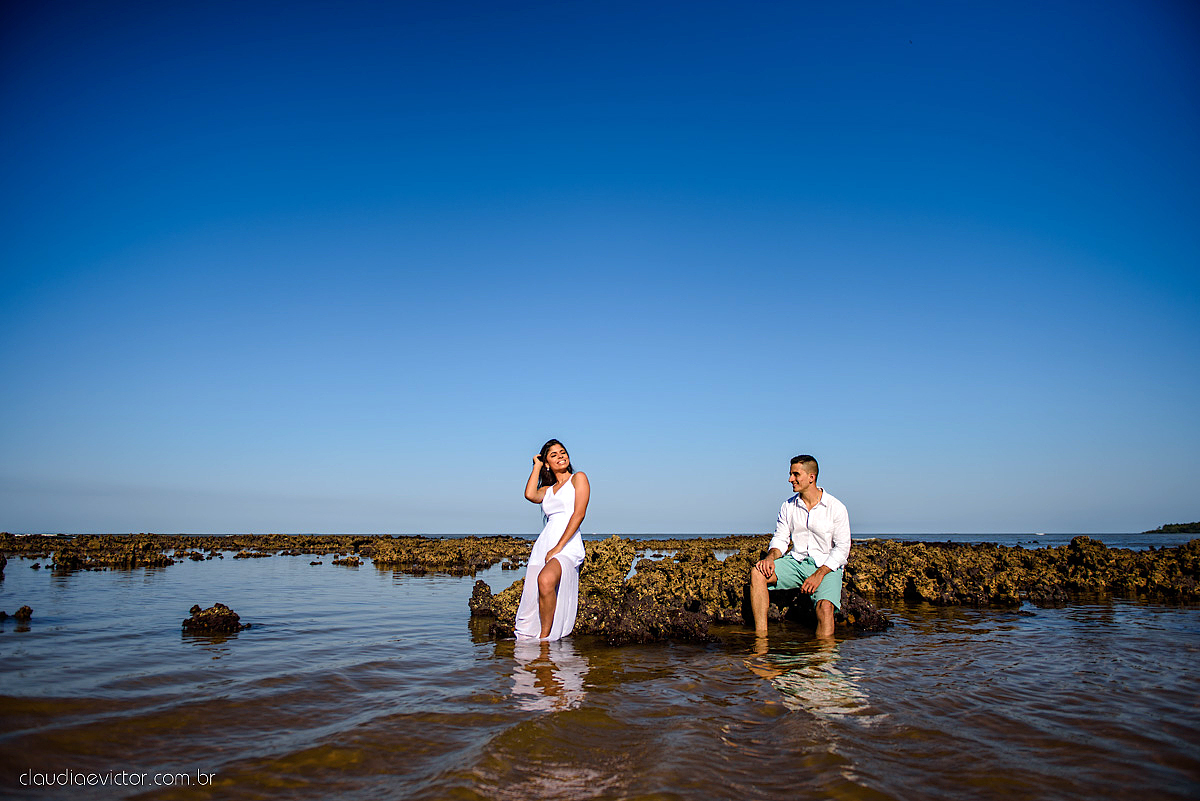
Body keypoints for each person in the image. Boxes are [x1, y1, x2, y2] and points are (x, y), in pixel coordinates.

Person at [749, 454, 850, 638]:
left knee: (825, 608)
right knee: (758, 572)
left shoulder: (836, 508)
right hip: (796, 561)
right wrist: (770, 558)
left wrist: (818, 575)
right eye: (790, 474)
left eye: (795, 474)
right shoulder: (788, 506)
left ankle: (823, 662)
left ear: (811, 477)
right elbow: (781, 539)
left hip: (826, 566)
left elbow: (842, 549)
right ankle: (761, 640)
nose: (790, 479)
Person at [514, 439, 589, 640]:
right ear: (548, 463)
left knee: (545, 580)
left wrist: (559, 547)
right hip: (544, 544)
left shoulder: (578, 479)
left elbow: (579, 514)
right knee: (535, 591)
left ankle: (546, 638)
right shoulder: (548, 489)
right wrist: (537, 465)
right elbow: (529, 494)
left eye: (562, 452)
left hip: (567, 544)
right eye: (553, 455)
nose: (560, 456)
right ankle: (538, 638)